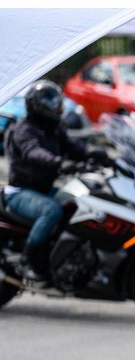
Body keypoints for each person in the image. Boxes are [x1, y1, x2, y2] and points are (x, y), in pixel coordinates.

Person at [4, 80, 108, 284]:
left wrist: (94, 155)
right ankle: (27, 260)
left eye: (57, 102)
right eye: (51, 102)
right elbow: (33, 152)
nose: (57, 107)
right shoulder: (24, 129)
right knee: (52, 211)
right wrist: (57, 162)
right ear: (38, 106)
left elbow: (73, 147)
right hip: (20, 192)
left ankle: (63, 257)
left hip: (44, 189)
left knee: (80, 203)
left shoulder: (54, 128)